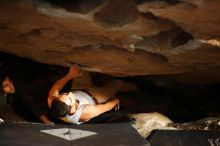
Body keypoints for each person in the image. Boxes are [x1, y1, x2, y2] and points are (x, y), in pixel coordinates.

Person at [48, 64, 136, 125]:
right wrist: (115, 101)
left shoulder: (53, 102)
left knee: (80, 68)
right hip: (97, 96)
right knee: (118, 83)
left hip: (79, 87)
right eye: (70, 98)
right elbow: (105, 107)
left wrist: (70, 75)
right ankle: (136, 87)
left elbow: (56, 88)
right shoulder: (86, 112)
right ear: (72, 108)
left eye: (65, 93)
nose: (70, 93)